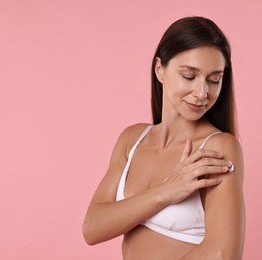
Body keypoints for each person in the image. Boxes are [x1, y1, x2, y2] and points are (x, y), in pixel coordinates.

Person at [82, 16, 245, 259]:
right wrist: (167, 191)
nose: (202, 93)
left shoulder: (218, 149)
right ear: (160, 69)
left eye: (214, 80)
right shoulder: (133, 140)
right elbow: (92, 229)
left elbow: (222, 255)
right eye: (189, 76)